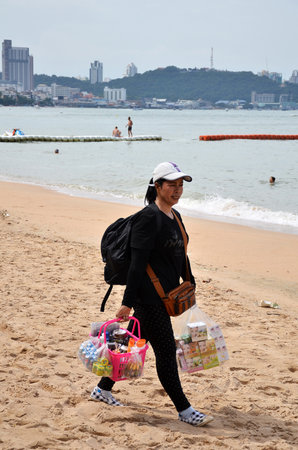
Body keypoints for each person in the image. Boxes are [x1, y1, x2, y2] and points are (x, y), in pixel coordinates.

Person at [90, 161, 214, 427]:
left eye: (181, 185)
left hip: (169, 295)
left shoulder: (175, 216)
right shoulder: (148, 218)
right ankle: (184, 409)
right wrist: (127, 303)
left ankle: (102, 388)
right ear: (157, 186)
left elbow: (181, 253)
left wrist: (189, 281)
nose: (178, 190)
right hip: (148, 297)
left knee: (134, 342)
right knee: (167, 351)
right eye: (172, 185)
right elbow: (136, 265)